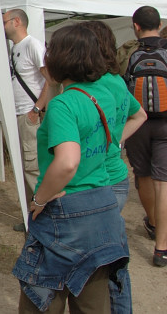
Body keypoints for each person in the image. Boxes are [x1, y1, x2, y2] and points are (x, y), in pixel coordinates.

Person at [12, 24, 142, 312]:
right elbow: (133, 117)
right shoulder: (108, 92)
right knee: (93, 300)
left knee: (42, 299)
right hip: (103, 204)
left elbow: (68, 162)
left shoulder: (64, 105)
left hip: (66, 210)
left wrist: (39, 198)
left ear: (61, 60)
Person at [85, 20, 147, 312]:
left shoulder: (94, 87)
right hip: (116, 178)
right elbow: (140, 115)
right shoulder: (117, 81)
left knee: (106, 262)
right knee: (113, 257)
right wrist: (117, 141)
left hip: (100, 182)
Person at [3, 8, 57, 230]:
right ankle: (31, 217)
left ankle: (46, 218)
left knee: (33, 166)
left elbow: (50, 78)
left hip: (28, 114)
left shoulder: (32, 44)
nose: (2, 26)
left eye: (4, 21)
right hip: (18, 113)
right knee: (23, 167)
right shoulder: (15, 47)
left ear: (16, 22)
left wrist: (37, 108)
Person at [122, 6, 167, 267]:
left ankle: (151, 221)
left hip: (138, 122)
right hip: (165, 125)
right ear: (159, 24)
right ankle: (161, 248)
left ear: (136, 26)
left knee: (144, 176)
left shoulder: (128, 53)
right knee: (164, 183)